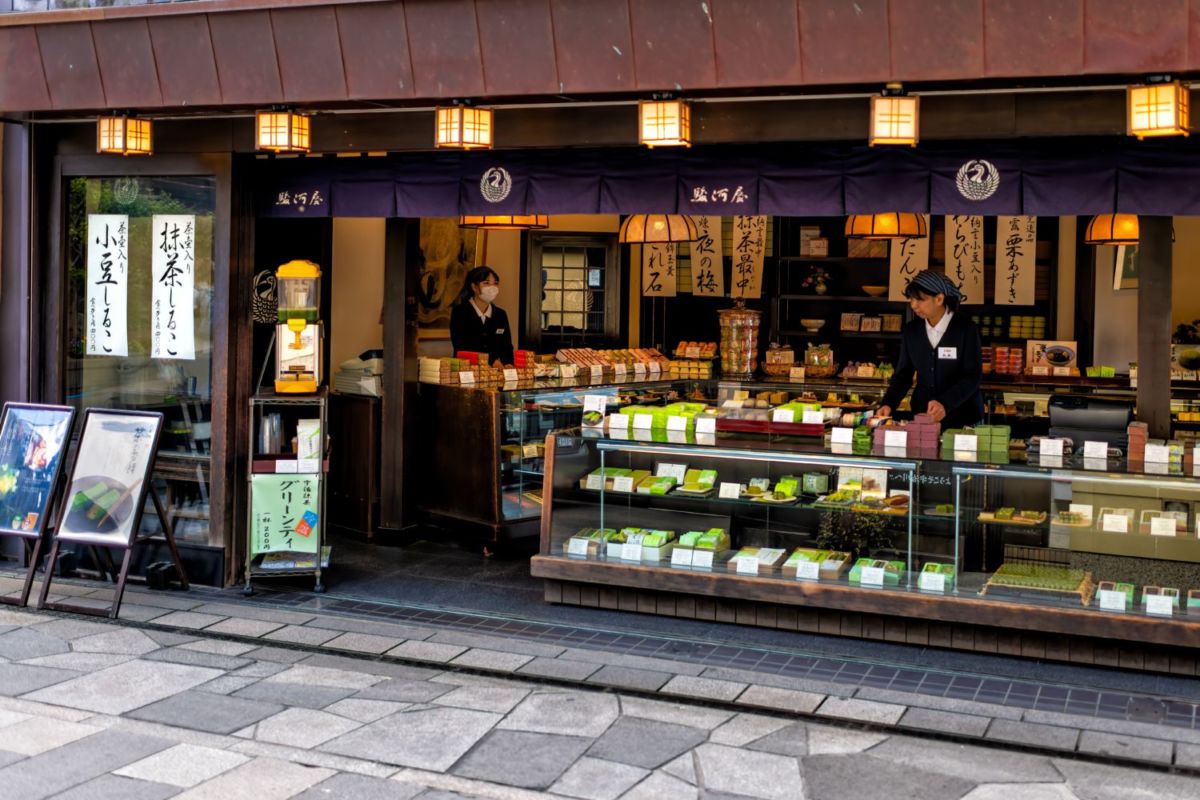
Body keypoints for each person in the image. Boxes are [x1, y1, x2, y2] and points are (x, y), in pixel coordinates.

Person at [878, 270, 983, 428]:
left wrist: (945, 403)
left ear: (939, 299)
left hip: (962, 417)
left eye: (920, 299)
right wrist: (888, 404)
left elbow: (972, 377)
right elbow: (903, 375)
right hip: (923, 417)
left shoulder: (965, 329)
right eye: (911, 299)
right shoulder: (912, 331)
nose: (914, 305)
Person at [449, 266, 515, 367]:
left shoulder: (500, 314)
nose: (492, 288)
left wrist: (508, 363)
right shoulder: (460, 312)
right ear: (474, 287)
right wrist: (491, 361)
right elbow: (462, 346)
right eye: (486, 283)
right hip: (467, 372)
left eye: (495, 283)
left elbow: (507, 347)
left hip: (495, 375)